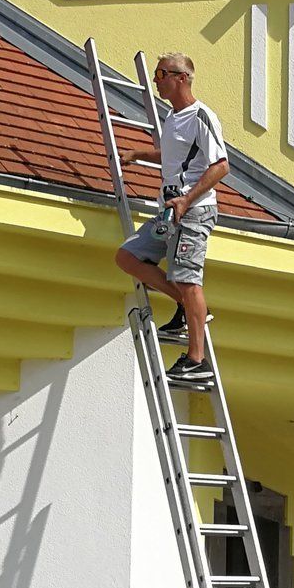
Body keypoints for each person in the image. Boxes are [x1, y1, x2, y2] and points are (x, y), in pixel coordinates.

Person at [114, 53, 230, 388]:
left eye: (161, 74)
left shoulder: (201, 116)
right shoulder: (173, 117)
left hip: (193, 212)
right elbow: (174, 155)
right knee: (127, 257)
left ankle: (197, 361)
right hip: (170, 210)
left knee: (189, 279)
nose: (156, 80)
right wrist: (139, 154)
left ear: (181, 77)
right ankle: (183, 305)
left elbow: (221, 164)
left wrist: (187, 198)